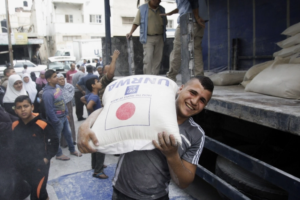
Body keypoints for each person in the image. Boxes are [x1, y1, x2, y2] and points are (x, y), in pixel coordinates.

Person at [77, 76, 214, 200]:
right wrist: (86, 123)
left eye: (202, 100)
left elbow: (184, 182)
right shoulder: (153, 103)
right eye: (193, 92)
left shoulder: (196, 134)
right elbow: (111, 109)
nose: (195, 101)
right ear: (181, 88)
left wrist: (172, 155)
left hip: (158, 196)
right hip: (121, 193)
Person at [12, 95, 59, 200]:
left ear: (32, 107)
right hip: (23, 167)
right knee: (37, 189)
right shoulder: (14, 125)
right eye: (19, 107)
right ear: (15, 111)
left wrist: (47, 158)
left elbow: (54, 142)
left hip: (40, 166)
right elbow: (14, 145)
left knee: (36, 195)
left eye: (26, 106)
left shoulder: (42, 124)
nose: (23, 109)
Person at [42, 70, 82, 161]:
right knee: (57, 138)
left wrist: (66, 113)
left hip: (63, 117)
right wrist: (56, 121)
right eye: (54, 77)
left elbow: (62, 101)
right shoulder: (47, 93)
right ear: (48, 79)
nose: (57, 78)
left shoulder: (57, 87)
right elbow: (49, 110)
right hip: (56, 119)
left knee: (68, 134)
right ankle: (58, 154)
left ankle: (72, 150)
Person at [165, 0, 208, 82]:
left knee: (178, 50)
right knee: (196, 50)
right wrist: (172, 12)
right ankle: (199, 78)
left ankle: (171, 76)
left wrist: (196, 16)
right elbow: (185, 6)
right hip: (198, 24)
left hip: (188, 21)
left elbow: (193, 2)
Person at [126, 0, 167, 75]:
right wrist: (131, 32)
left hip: (160, 37)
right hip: (148, 38)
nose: (159, 1)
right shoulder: (142, 9)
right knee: (148, 59)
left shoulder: (162, 9)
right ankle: (147, 77)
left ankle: (155, 78)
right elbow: (136, 22)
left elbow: (165, 23)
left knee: (157, 60)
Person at [81, 77, 108, 179]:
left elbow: (82, 99)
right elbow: (89, 106)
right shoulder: (95, 97)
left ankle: (95, 165)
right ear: (93, 86)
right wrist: (94, 114)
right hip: (97, 123)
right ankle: (98, 171)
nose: (100, 83)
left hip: (93, 124)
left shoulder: (91, 95)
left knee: (94, 145)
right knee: (100, 145)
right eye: (98, 82)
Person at [57, 73, 76, 144]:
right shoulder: (56, 88)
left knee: (70, 120)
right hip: (59, 106)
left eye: (63, 79)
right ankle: (64, 142)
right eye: (60, 79)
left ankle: (73, 139)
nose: (62, 81)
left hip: (68, 105)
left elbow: (71, 95)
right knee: (62, 123)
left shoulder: (69, 86)